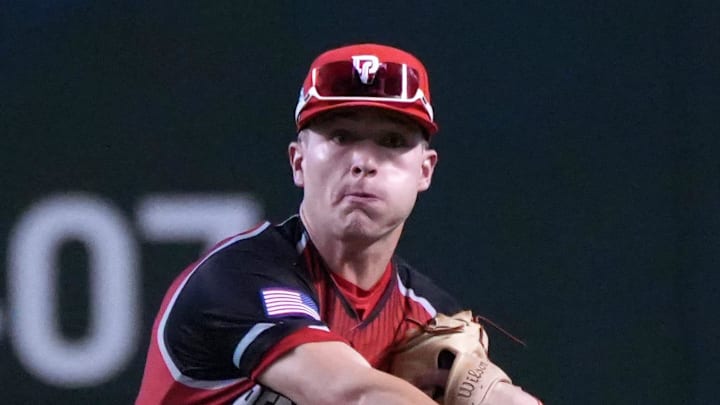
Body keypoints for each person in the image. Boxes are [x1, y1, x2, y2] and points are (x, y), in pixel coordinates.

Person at [136, 43, 540, 404]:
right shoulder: (237, 278)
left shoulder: (423, 314)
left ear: (425, 171)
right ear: (298, 161)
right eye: (341, 137)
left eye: (393, 141)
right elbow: (352, 396)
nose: (363, 161)